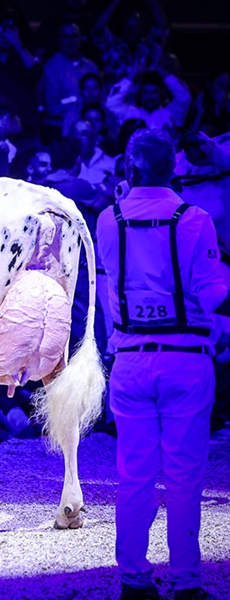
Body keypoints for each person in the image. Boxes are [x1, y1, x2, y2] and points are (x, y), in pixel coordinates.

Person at [97, 129, 230, 600]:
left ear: (130, 169)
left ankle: (133, 579)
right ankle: (186, 582)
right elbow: (215, 295)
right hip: (185, 362)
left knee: (133, 473)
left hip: (130, 361)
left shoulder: (108, 220)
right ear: (174, 169)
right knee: (184, 474)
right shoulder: (196, 220)